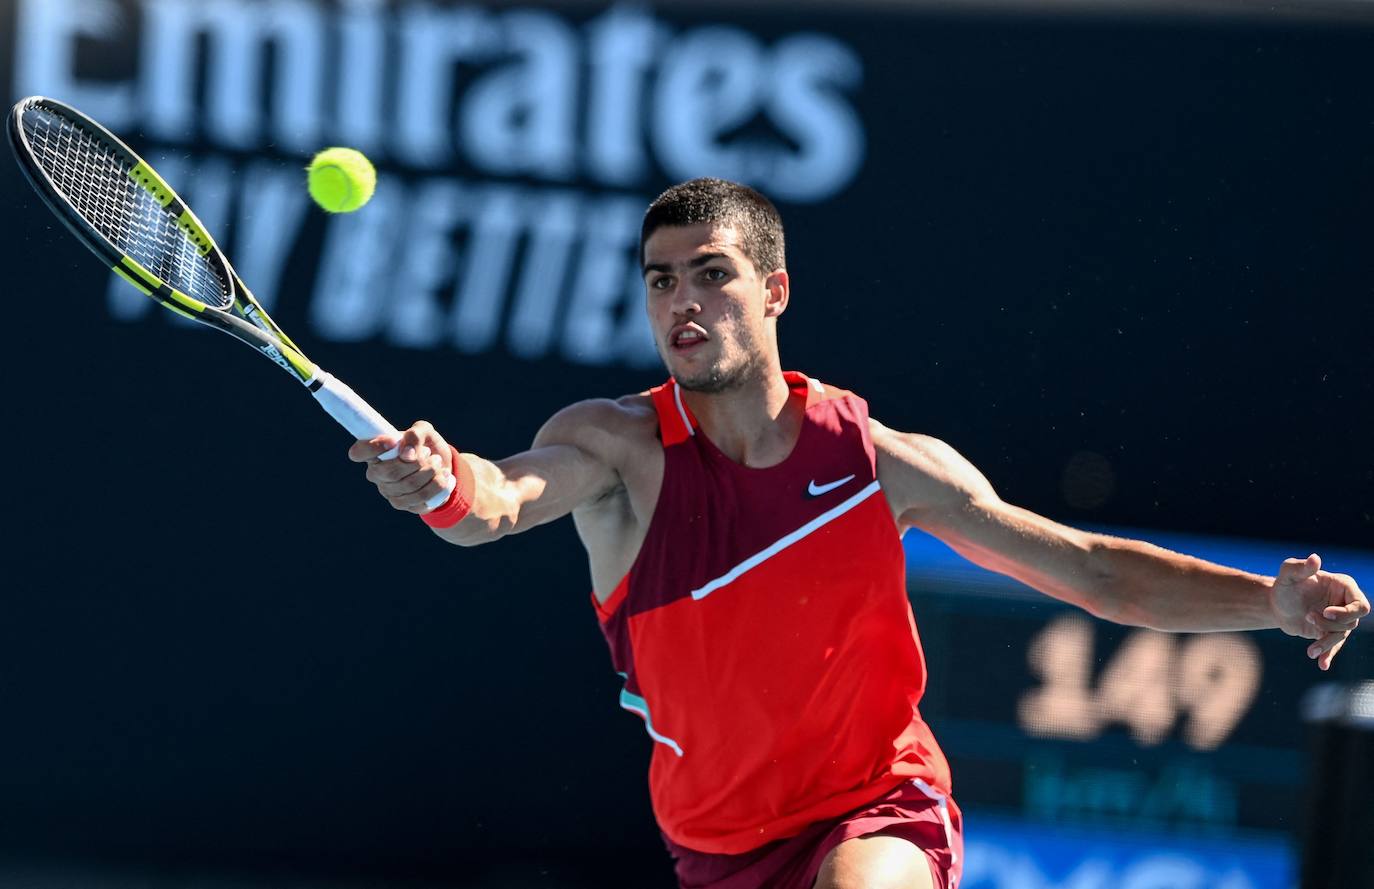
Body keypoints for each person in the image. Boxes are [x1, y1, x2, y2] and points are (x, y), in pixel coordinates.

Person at [348, 178, 1367, 889]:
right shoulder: (616, 447)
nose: (682, 302)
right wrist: (442, 481)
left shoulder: (877, 462)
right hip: (715, 844)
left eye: (711, 273)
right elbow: (499, 501)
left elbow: (1097, 573)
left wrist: (1267, 603)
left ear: (776, 290)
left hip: (879, 804)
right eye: (661, 280)